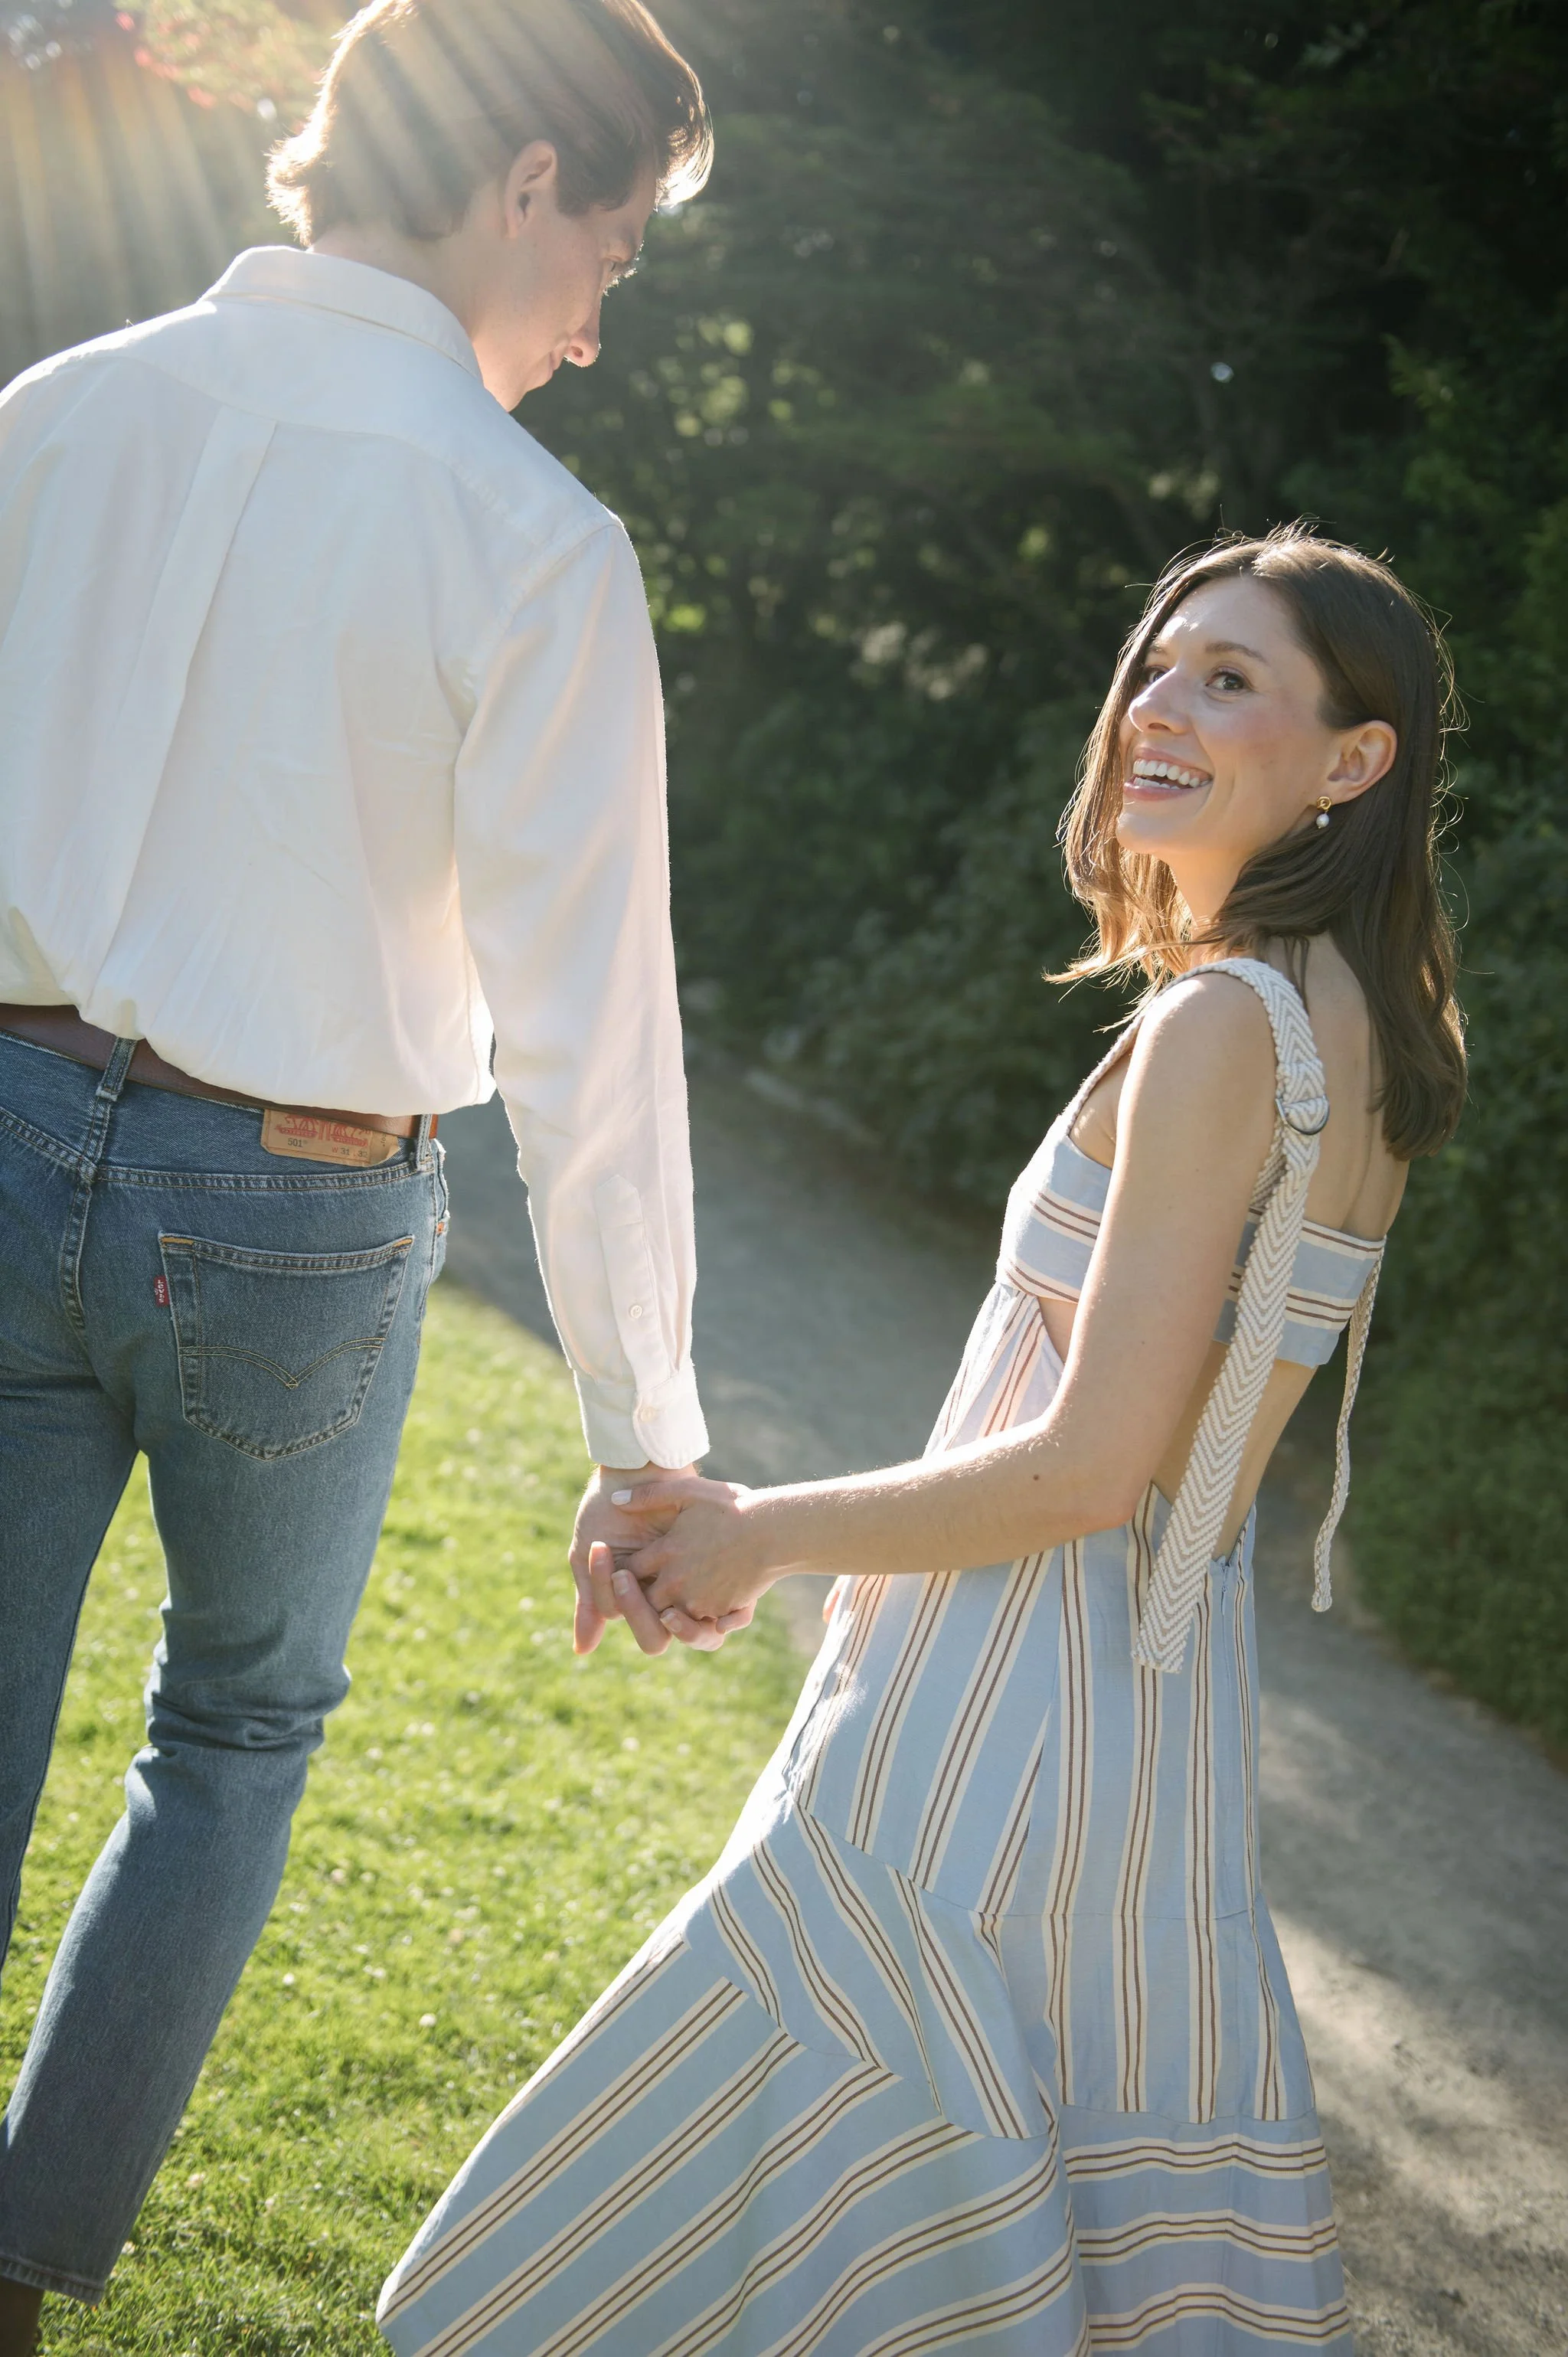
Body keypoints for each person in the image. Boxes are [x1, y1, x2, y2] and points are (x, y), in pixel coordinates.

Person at [378, 525, 1466, 2355]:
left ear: (1355, 761)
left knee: (643, 2264)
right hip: (1148, 1713)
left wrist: (756, 1532)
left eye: (1232, 680)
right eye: (1157, 665)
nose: (1158, 707)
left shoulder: (1222, 1025)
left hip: (1002, 1712)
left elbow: (1087, 1465)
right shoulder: (1367, 1023)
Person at [0, 0, 727, 2339]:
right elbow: (594, 1032)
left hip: (4, 1121)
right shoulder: (528, 532)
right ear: (527, 181)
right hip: (293, 1204)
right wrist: (648, 1436)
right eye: (610, 251)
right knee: (228, 1730)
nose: (600, 328)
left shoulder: (57, 413)